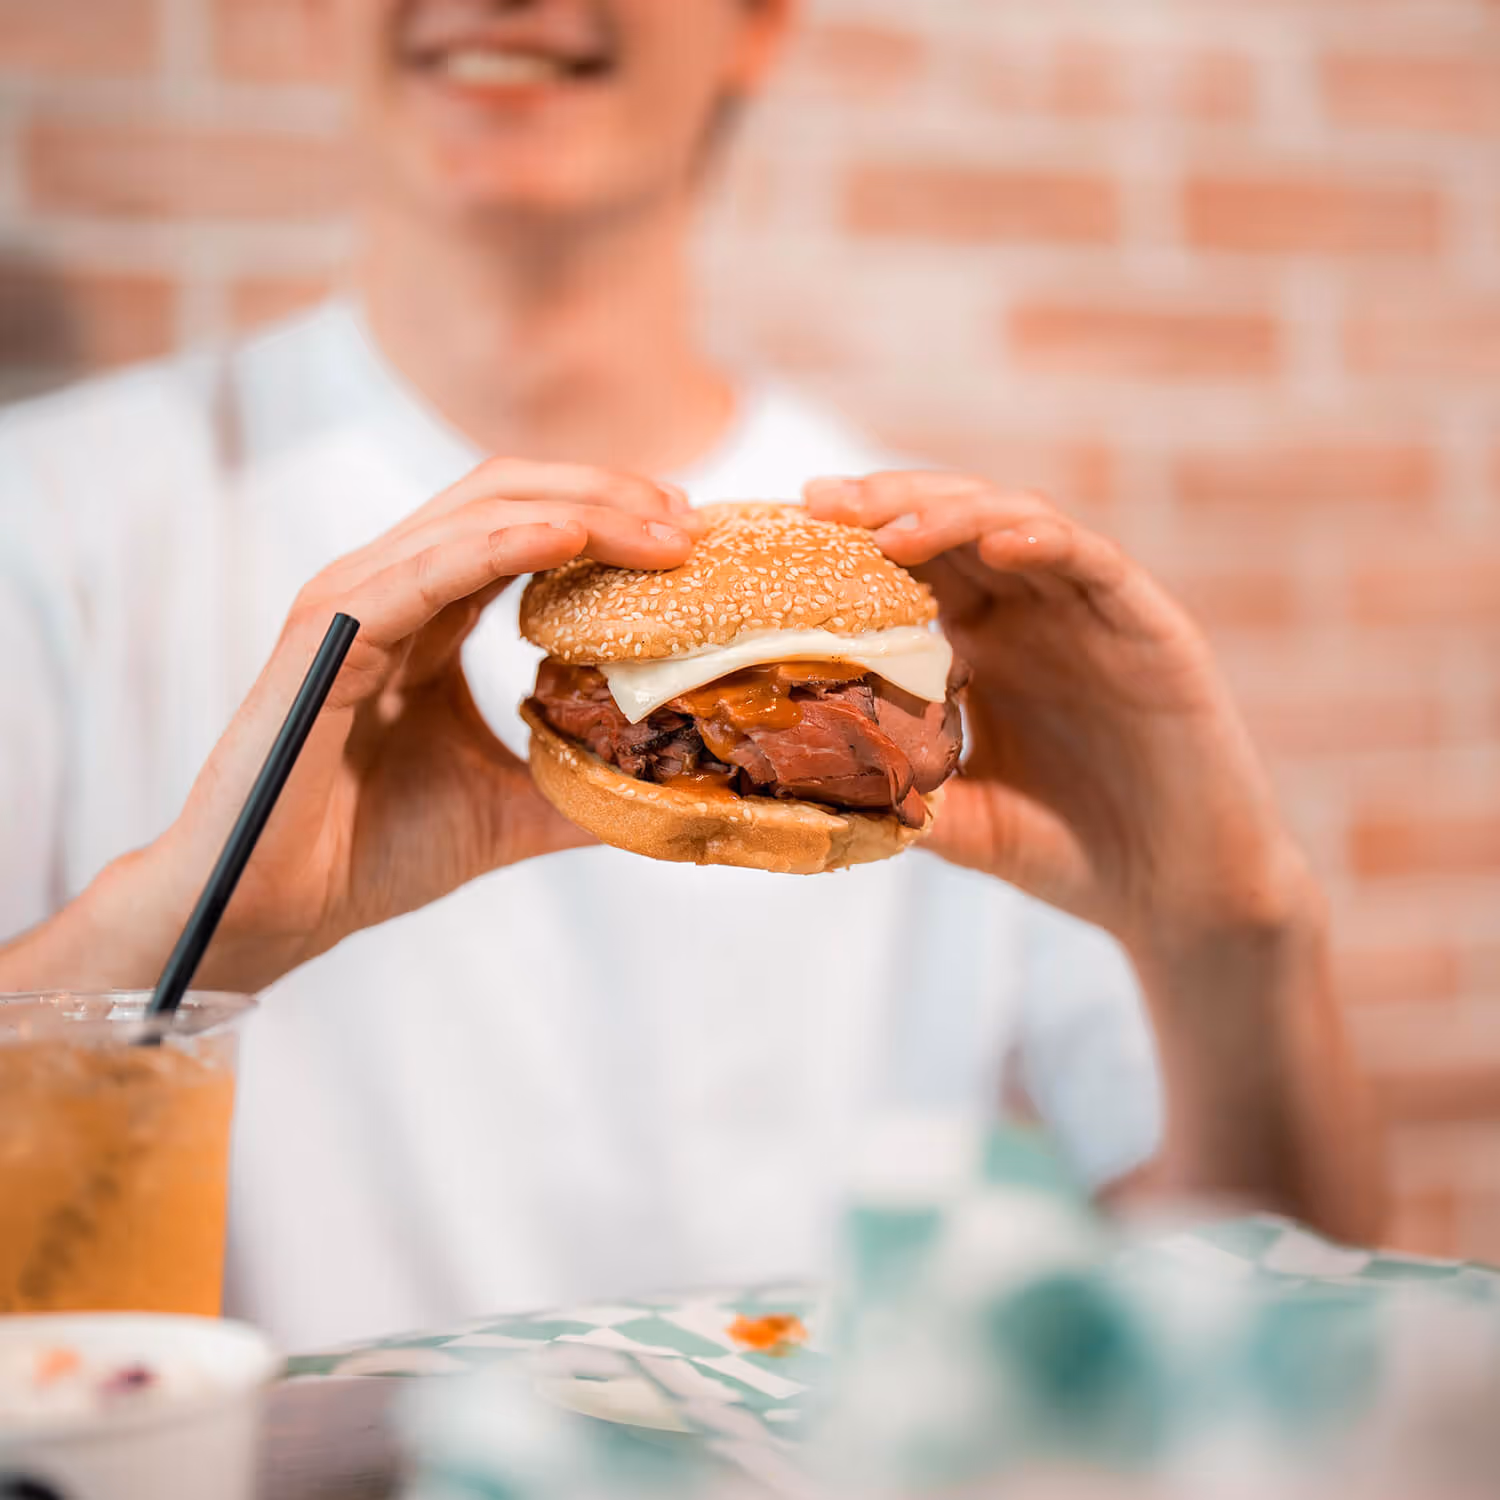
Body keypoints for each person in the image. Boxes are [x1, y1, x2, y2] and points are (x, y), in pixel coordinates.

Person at [0, 0, 1379, 1350]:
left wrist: (1229, 928)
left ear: (761, 21)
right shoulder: (50, 523)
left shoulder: (969, 620)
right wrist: (187, 938)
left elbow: (1286, 1340)